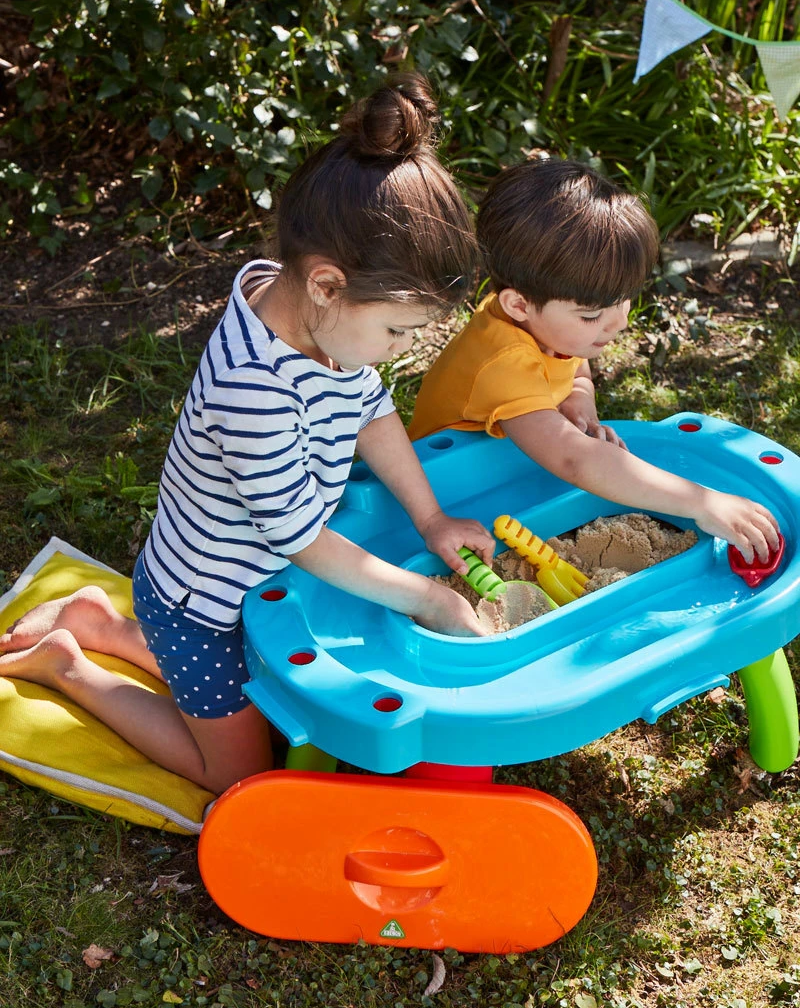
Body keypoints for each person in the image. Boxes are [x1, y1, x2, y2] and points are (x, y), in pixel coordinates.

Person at [0, 74, 495, 794]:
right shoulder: (251, 389)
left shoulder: (316, 318)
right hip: (202, 609)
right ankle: (71, 663)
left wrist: (432, 518)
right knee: (237, 773)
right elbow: (300, 538)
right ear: (326, 285)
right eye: (396, 330)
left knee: (280, 712)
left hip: (262, 588)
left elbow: (371, 410)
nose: (397, 349)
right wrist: (426, 599)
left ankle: (103, 624)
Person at [409, 156, 780, 564]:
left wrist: (579, 393)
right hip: (450, 488)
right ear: (519, 304)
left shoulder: (545, 323)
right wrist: (701, 502)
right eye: (591, 315)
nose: (619, 322)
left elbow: (572, 359)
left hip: (513, 460)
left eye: (622, 300)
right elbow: (575, 459)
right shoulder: (505, 362)